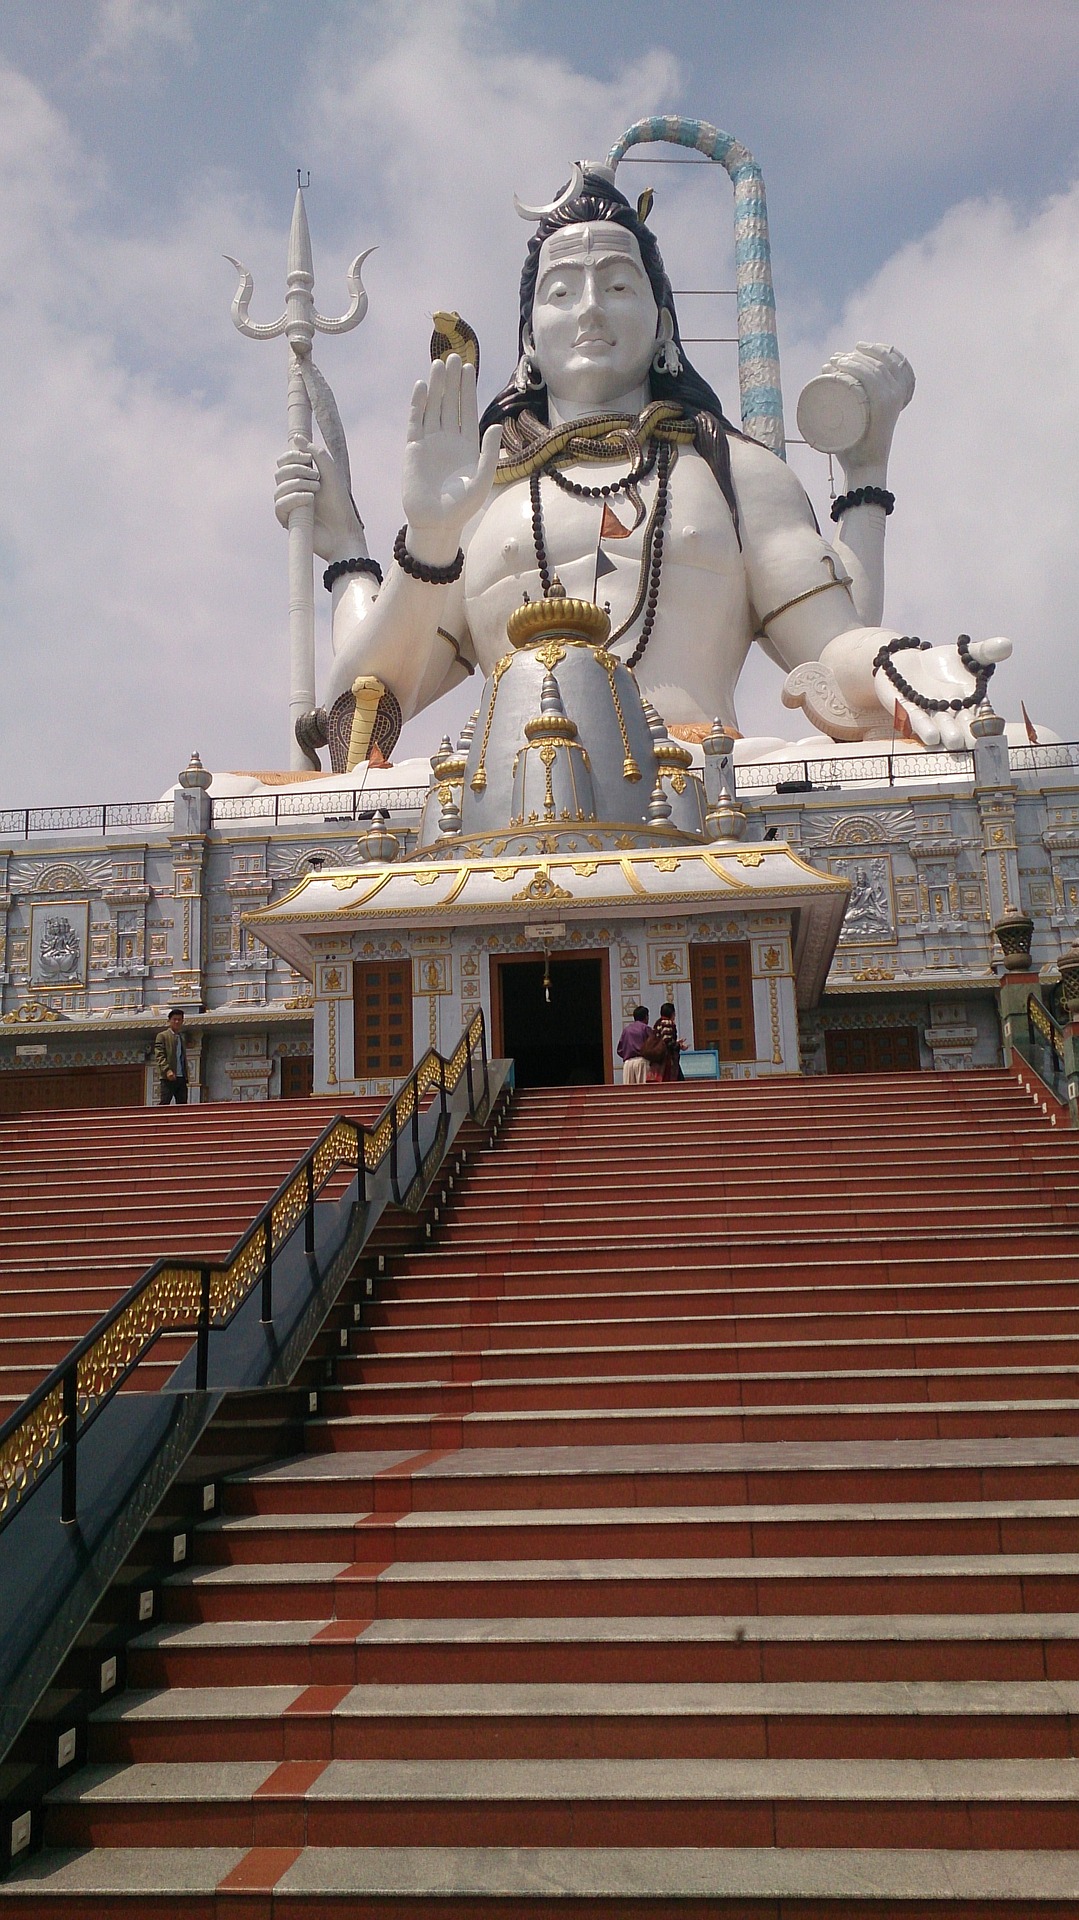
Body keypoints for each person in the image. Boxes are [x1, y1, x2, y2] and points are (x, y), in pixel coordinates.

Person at [278, 169, 1008, 768]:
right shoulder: (482, 496)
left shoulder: (732, 474)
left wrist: (901, 661)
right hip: (494, 808)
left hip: (694, 785)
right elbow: (360, 719)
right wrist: (425, 537)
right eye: (560, 292)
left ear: (662, 324)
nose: (589, 310)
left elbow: (829, 642)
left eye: (618, 285)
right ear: (527, 338)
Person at [154, 1008, 189, 1105]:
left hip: (181, 1076)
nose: (177, 1022)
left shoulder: (181, 1037)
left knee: (182, 1105)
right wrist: (167, 1070)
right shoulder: (162, 1036)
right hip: (168, 1077)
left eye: (179, 1019)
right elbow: (159, 1055)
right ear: (169, 1021)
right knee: (165, 1103)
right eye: (174, 1019)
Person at [650, 1001, 687, 1083]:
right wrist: (679, 1045)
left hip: (658, 1057)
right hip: (667, 1059)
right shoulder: (667, 1023)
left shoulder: (658, 1023)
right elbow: (667, 1042)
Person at [617, 1004, 651, 1085]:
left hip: (628, 1064)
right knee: (644, 1091)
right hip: (642, 1062)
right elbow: (652, 1046)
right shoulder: (645, 1028)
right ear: (646, 1017)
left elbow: (620, 1050)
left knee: (629, 1092)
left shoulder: (626, 1030)